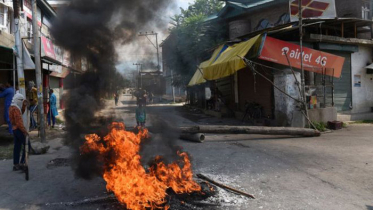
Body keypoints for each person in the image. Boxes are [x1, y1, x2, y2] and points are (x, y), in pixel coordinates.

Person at [9, 93, 29, 171]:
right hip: (18, 129)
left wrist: (24, 105)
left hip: (14, 129)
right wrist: (24, 131)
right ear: (17, 100)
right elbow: (19, 122)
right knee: (27, 145)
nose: (21, 102)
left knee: (17, 147)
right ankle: (22, 163)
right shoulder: (15, 109)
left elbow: (21, 112)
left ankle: (16, 164)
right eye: (21, 101)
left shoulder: (12, 107)